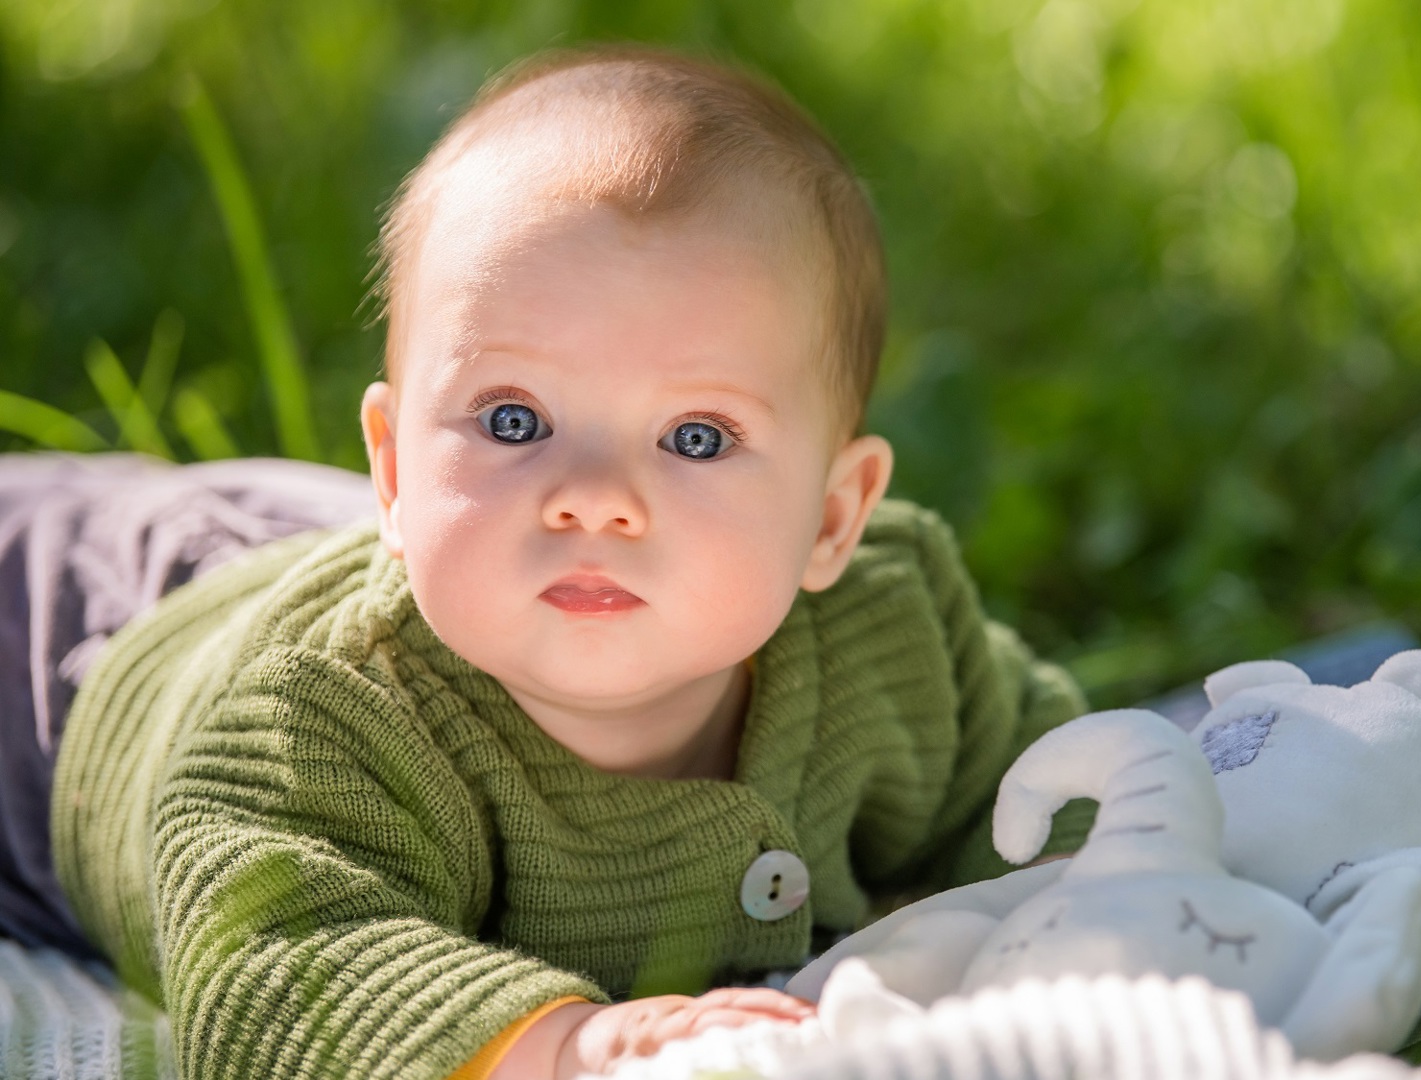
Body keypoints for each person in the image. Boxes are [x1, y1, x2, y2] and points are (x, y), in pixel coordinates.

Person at [18, 46, 1092, 1080]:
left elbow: (1046, 776)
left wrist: (1093, 888)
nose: (594, 496)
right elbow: (271, 962)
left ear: (830, 519)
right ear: (394, 470)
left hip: (344, 546)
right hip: (64, 656)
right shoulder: (323, 721)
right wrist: (562, 1047)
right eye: (515, 417)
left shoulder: (891, 630)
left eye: (696, 438)